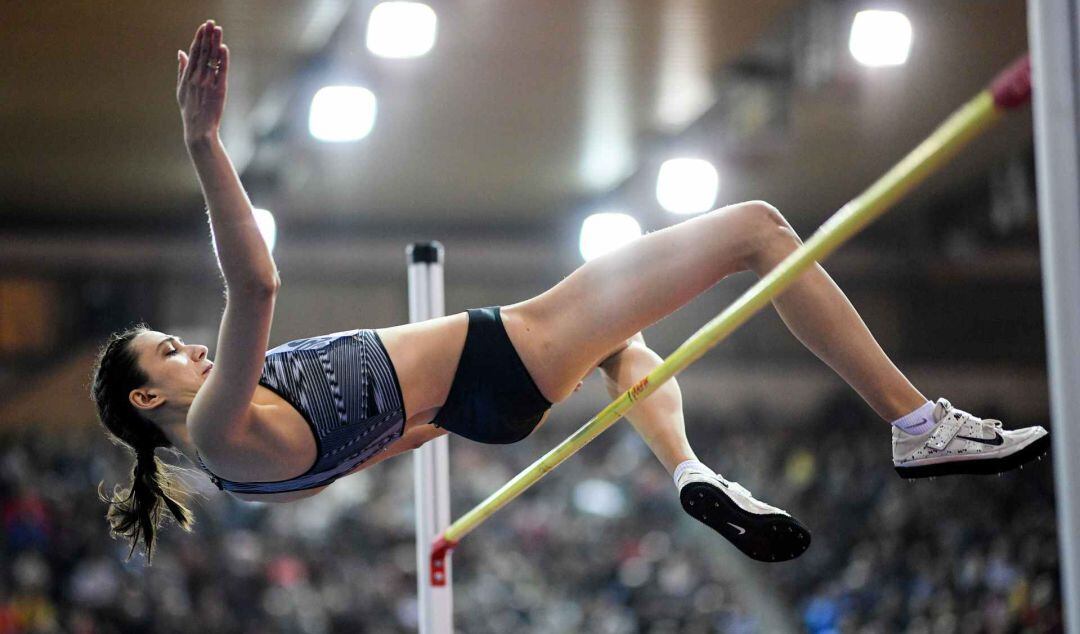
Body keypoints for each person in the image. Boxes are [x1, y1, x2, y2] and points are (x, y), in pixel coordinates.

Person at [91, 20, 1049, 564]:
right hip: (504, 350)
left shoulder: (240, 474)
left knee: (628, 350)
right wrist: (204, 146)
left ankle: (691, 471)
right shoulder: (215, 429)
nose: (193, 348)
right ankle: (916, 424)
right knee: (759, 230)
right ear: (147, 398)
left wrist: (426, 421)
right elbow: (254, 281)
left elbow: (354, 455)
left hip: (483, 391)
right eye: (168, 352)